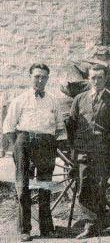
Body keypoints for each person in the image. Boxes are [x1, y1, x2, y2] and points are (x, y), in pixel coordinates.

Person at [2, 63, 64, 242]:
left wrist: (56, 144)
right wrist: (15, 148)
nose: (40, 80)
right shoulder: (20, 100)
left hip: (46, 144)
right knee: (23, 187)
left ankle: (46, 228)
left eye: (44, 77)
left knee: (45, 186)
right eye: (37, 76)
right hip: (24, 142)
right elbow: (8, 126)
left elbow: (60, 127)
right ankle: (24, 229)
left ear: (47, 79)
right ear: (30, 77)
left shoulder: (53, 100)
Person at [66, 63, 110, 239]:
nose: (96, 81)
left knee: (100, 187)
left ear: (105, 79)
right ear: (89, 79)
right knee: (84, 186)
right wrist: (73, 149)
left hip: (102, 151)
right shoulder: (79, 99)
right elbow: (72, 125)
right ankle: (89, 225)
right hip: (83, 151)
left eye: (100, 78)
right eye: (93, 77)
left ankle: (98, 224)